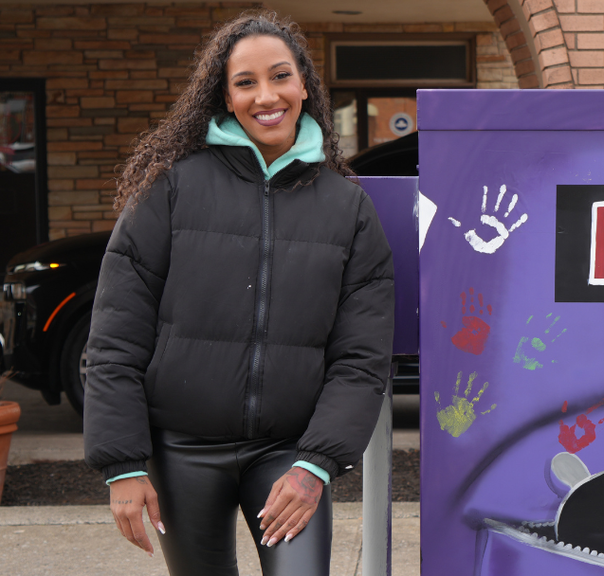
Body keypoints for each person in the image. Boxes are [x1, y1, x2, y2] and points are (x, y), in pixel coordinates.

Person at [83, 11, 394, 576]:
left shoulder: (347, 207)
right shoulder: (172, 187)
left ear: (304, 85)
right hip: (181, 452)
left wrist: (316, 464)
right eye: (245, 82)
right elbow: (114, 337)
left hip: (288, 456)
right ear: (224, 97)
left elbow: (362, 358)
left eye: (279, 76)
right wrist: (123, 465)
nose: (266, 96)